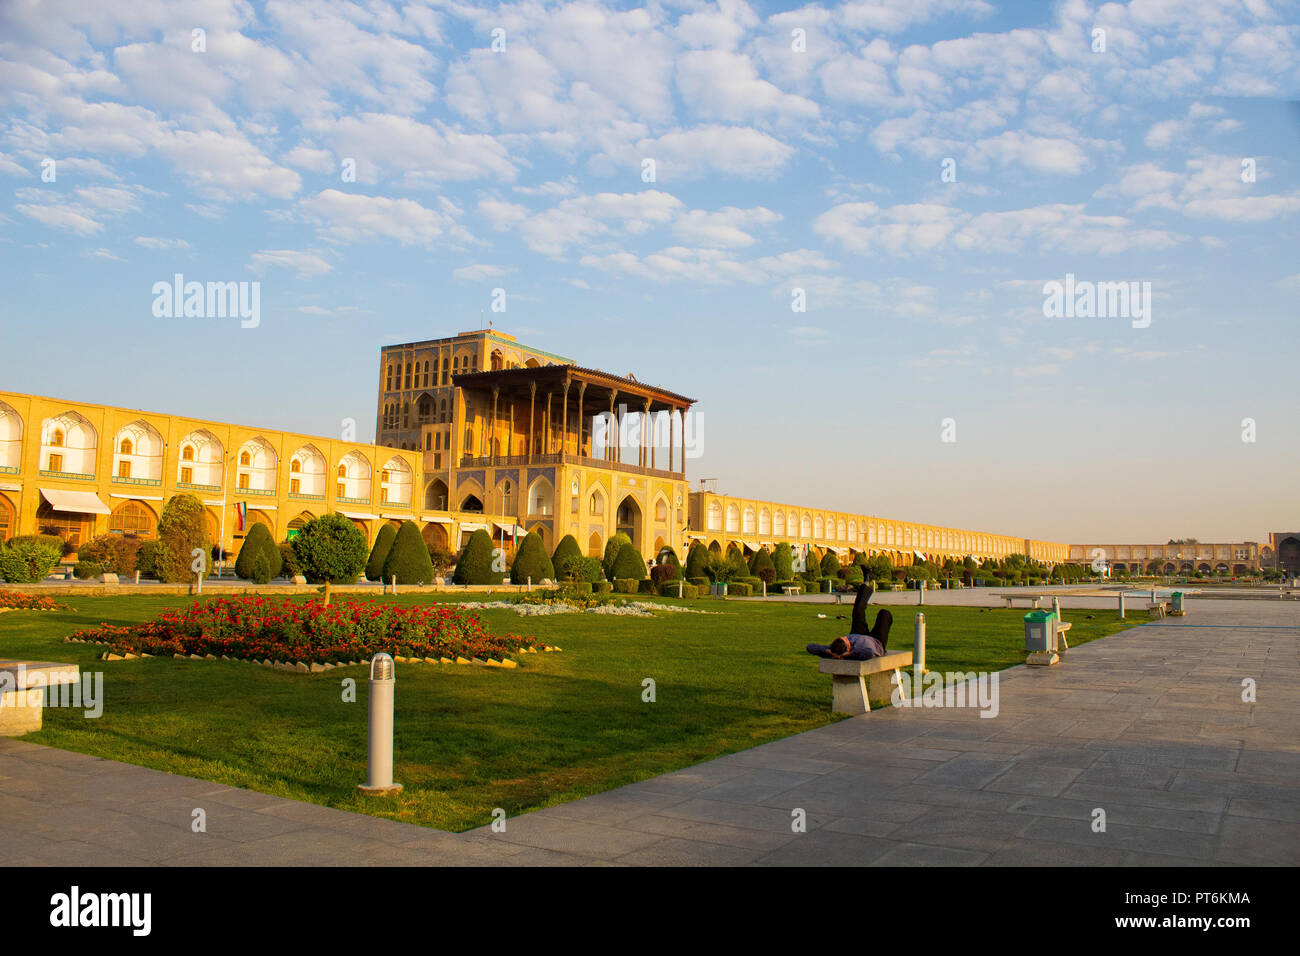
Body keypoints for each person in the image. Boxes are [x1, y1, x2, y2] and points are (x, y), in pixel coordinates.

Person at [806, 580, 893, 660]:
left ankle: (866, 583)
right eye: (847, 640)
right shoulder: (859, 649)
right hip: (876, 641)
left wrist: (828, 651)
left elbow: (810, 647)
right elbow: (868, 652)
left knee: (858, 610)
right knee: (884, 613)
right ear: (848, 648)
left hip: (858, 633)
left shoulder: (834, 648)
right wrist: (847, 655)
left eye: (844, 638)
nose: (846, 638)